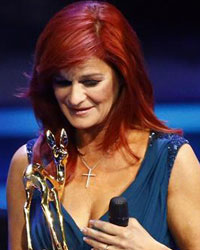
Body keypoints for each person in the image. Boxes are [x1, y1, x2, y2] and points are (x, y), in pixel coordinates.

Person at [6, 1, 200, 249]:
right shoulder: (29, 163)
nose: (74, 98)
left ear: (122, 77)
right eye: (62, 82)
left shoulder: (172, 162)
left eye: (90, 82)